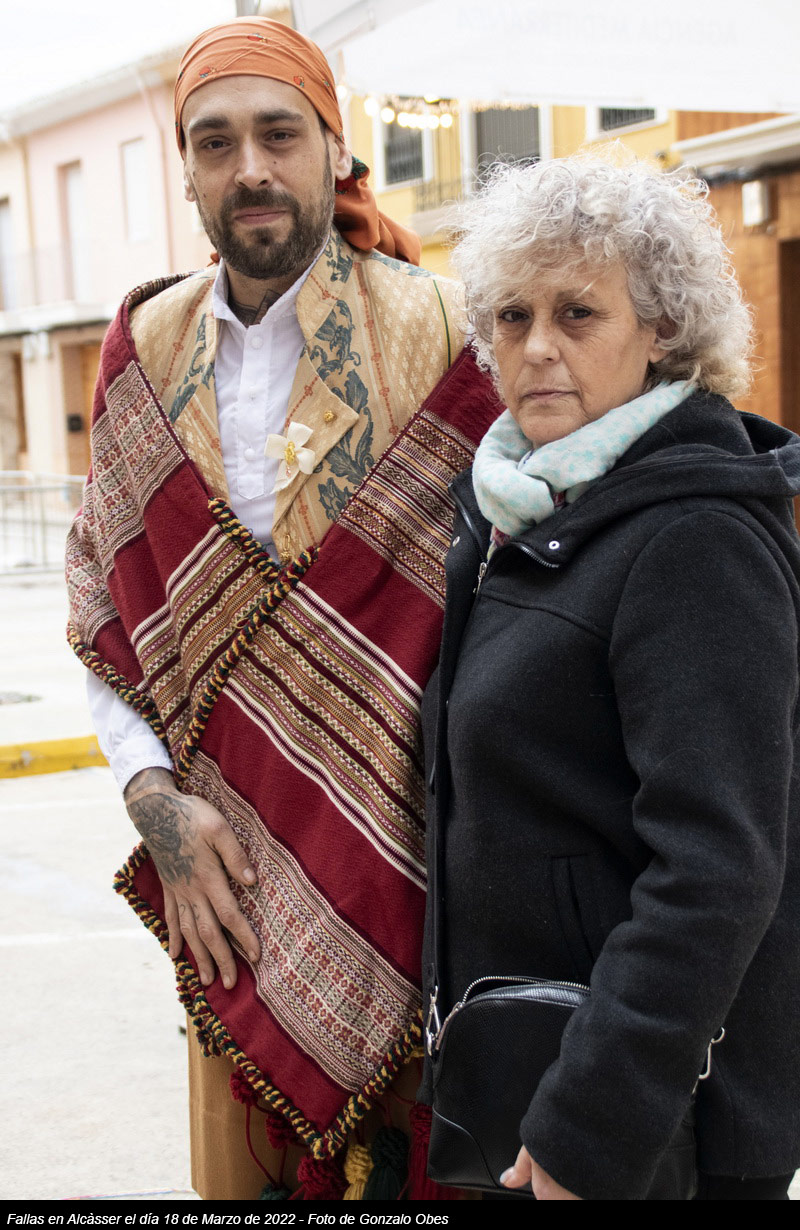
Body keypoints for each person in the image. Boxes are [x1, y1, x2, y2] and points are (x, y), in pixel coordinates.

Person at [65, 16, 497, 1201]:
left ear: (333, 148)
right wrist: (151, 798)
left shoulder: (445, 329)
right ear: (186, 169)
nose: (249, 167)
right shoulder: (145, 346)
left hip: (418, 870)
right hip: (226, 890)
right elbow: (105, 596)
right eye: (215, 142)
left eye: (277, 134)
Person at [420, 154, 800, 1200]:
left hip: (644, 1130)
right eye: (511, 316)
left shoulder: (695, 538)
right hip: (527, 1076)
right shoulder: (519, 509)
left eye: (577, 313)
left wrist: (587, 1130)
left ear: (661, 329)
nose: (536, 346)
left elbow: (715, 871)